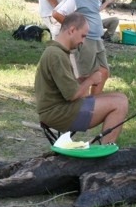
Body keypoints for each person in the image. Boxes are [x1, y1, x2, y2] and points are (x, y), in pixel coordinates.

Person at [34, 13, 128, 144]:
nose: (83, 41)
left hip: (61, 108)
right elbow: (72, 95)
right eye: (83, 36)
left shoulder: (58, 52)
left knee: (121, 97)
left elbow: (62, 88)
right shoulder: (56, 55)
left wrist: (82, 81)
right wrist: (90, 81)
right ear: (72, 30)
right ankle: (106, 154)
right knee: (119, 104)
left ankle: (104, 149)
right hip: (57, 113)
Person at [52, 0, 110, 94]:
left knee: (104, 71)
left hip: (97, 39)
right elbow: (57, 14)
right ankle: (81, 103)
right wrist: (75, 31)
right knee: (85, 75)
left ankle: (94, 102)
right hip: (86, 40)